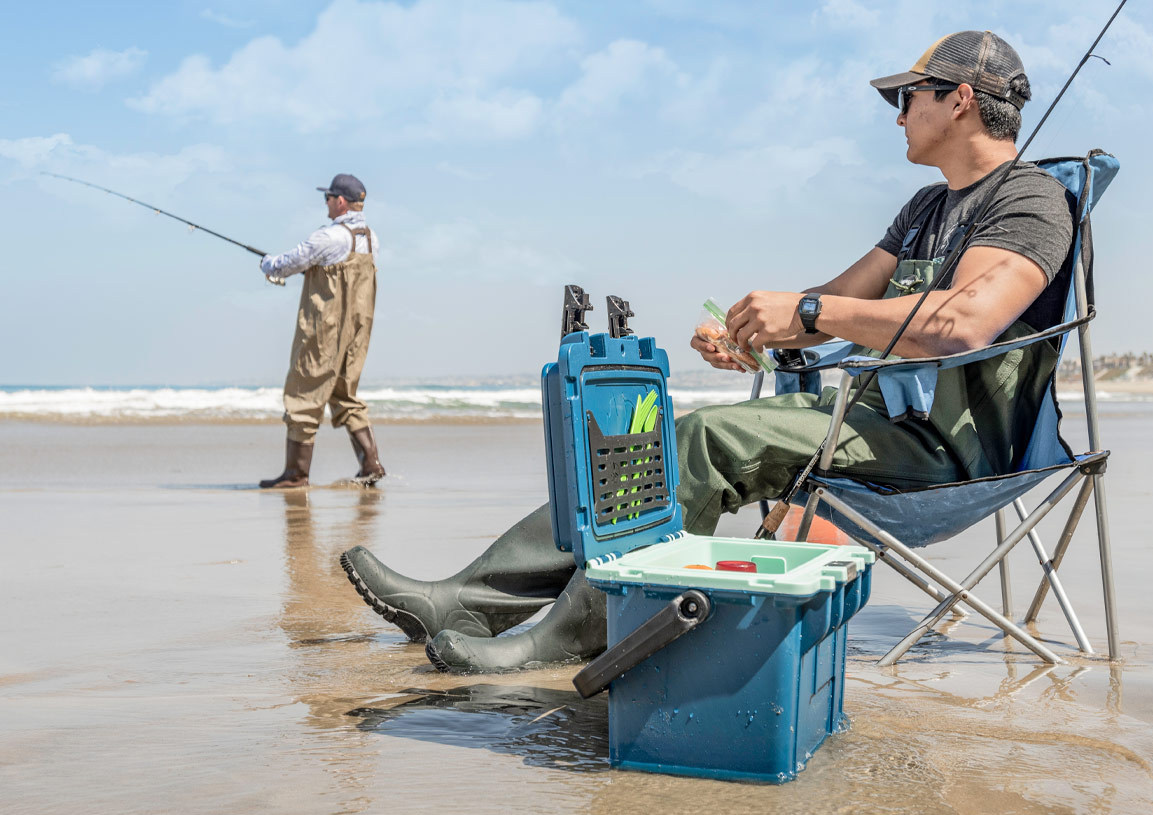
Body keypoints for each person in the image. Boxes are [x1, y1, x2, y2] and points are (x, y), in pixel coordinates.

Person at [341, 31, 1075, 672]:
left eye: (908, 96)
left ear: (960, 100)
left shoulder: (1031, 200)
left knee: (700, 441)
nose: (896, 114)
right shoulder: (924, 208)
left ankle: (569, 638)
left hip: (947, 450)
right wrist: (754, 332)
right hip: (873, 418)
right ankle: (461, 603)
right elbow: (826, 314)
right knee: (647, 445)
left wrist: (809, 309)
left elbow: (963, 325)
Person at [258, 174, 387, 489]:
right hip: (357, 329)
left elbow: (287, 263)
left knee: (303, 391)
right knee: (345, 393)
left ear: (340, 201)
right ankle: (371, 464)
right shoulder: (371, 237)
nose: (326, 203)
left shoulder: (328, 237)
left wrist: (266, 263)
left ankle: (296, 474)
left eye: (328, 198)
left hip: (324, 328)